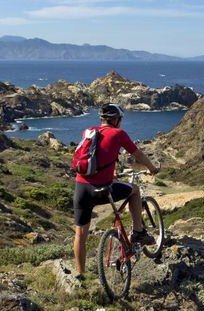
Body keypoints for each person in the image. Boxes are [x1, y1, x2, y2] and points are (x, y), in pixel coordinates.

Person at [73, 104, 160, 274]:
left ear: (102, 119)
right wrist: (151, 168)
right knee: (134, 190)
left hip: (81, 188)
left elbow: (96, 155)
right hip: (103, 189)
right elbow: (138, 155)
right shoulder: (118, 134)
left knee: (80, 236)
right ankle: (138, 232)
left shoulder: (89, 132)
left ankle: (80, 275)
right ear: (117, 120)